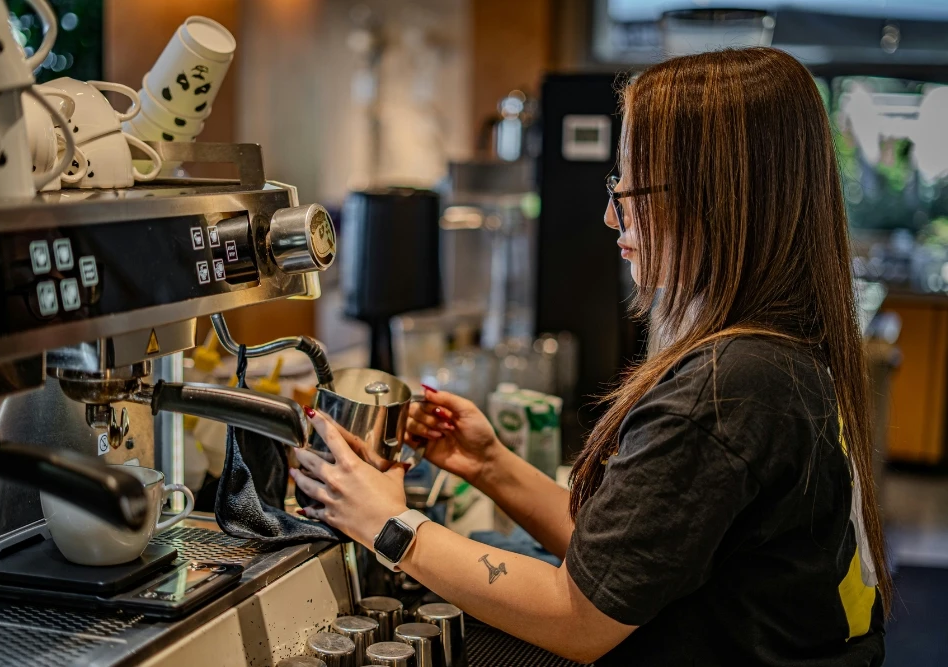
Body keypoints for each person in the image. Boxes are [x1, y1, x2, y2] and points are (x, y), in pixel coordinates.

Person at [290, 47, 888, 666]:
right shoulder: (779, 354)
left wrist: (389, 526)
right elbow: (620, 561)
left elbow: (579, 617)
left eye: (629, 190)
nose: (610, 216)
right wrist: (490, 463)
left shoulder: (726, 391)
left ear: (716, 198)